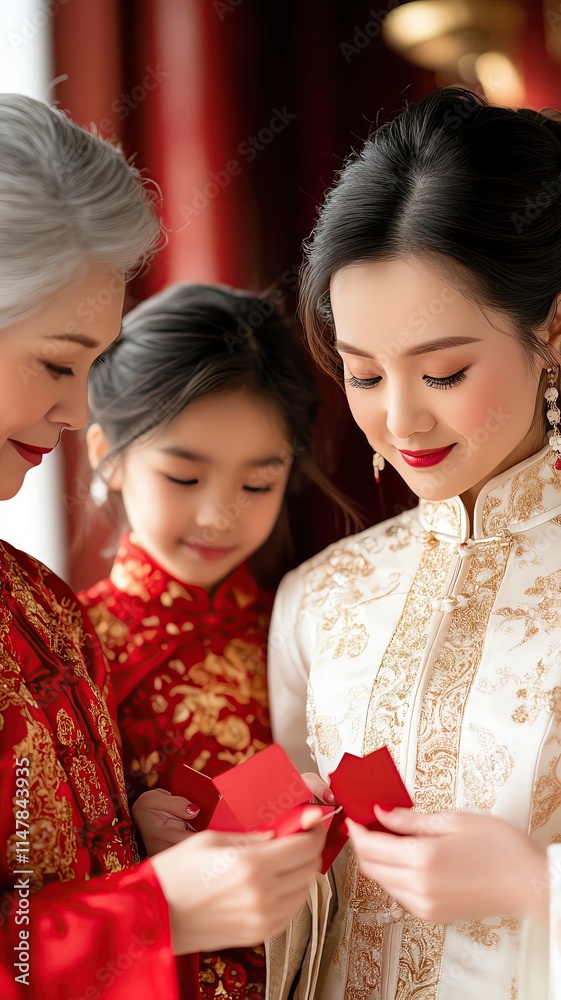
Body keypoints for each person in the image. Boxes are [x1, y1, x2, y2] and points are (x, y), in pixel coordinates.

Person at [0, 93, 326, 1000]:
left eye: (257, 481)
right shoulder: (84, 624)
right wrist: (152, 912)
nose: (73, 415)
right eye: (57, 365)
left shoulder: (42, 610)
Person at [267, 87, 561, 999]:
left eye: (442, 370)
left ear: (552, 327)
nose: (398, 419)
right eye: (361, 374)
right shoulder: (320, 599)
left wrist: (531, 887)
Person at [78, 281, 343, 999]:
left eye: (258, 485)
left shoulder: (311, 626)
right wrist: (127, 834)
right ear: (108, 452)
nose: (219, 513)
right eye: (184, 475)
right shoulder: (65, 646)